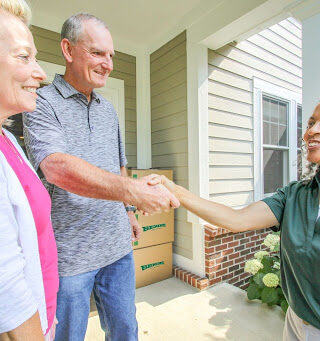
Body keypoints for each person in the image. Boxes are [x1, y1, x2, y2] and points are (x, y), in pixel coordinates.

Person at [23, 13, 179, 341]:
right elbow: (56, 166)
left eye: (111, 55)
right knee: (68, 336)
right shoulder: (40, 103)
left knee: (125, 330)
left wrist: (128, 211)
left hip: (118, 247)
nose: (108, 63)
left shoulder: (109, 110)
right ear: (68, 49)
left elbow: (118, 163)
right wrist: (133, 192)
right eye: (97, 53)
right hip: (69, 255)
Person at [152, 104, 320, 340]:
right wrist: (176, 191)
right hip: (296, 320)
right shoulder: (295, 194)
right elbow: (236, 219)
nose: (312, 130)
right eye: (311, 123)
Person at [0, 1, 59, 341]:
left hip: (44, 314)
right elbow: (5, 287)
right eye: (24, 57)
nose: (40, 73)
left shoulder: (8, 138)